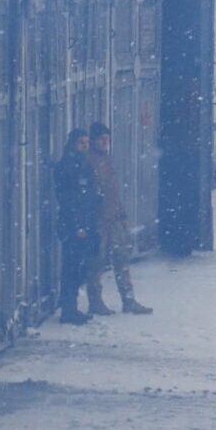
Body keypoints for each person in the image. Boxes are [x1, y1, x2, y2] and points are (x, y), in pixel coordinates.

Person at [82, 122, 151, 315]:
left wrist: (122, 216)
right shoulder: (89, 163)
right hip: (98, 221)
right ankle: (96, 301)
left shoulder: (106, 161)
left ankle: (128, 300)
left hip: (113, 219)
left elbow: (113, 192)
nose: (105, 143)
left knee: (121, 259)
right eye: (102, 139)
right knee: (97, 262)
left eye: (107, 139)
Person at [51, 130, 103, 325]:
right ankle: (68, 309)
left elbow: (85, 195)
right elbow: (68, 199)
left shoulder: (82, 164)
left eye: (87, 143)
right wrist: (77, 226)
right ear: (73, 143)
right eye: (81, 143)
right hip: (74, 225)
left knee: (77, 267)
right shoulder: (68, 166)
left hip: (83, 222)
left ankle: (71, 307)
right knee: (71, 268)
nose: (85, 146)